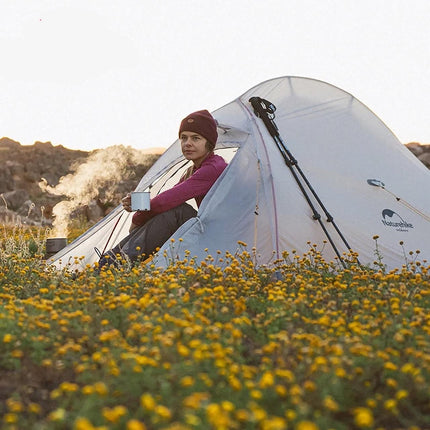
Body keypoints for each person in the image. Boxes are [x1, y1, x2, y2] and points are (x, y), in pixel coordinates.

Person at [98, 109, 227, 269]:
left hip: (224, 236)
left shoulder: (214, 168)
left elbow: (168, 201)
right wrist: (137, 205)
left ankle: (112, 265)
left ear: (209, 143)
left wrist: (137, 218)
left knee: (176, 211)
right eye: (183, 138)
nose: (187, 143)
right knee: (171, 210)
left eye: (196, 138)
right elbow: (168, 198)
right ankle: (108, 263)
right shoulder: (193, 170)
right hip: (209, 231)